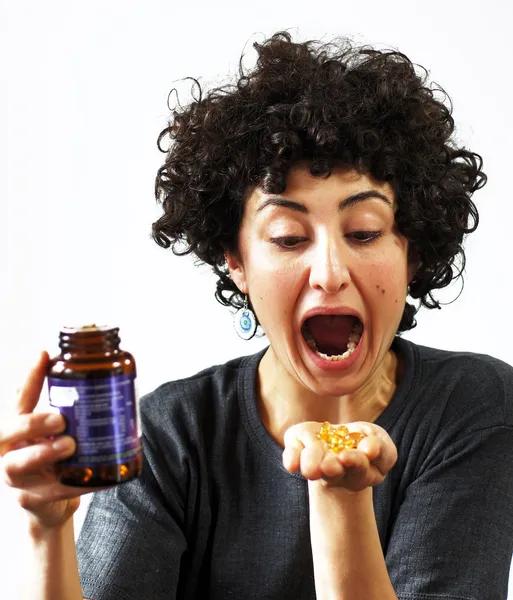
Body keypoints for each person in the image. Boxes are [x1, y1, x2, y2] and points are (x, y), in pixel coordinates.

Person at [1, 31, 512, 600]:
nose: (329, 273)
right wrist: (48, 529)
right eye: (289, 238)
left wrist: (341, 498)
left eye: (364, 232)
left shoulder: (475, 407)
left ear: (412, 253)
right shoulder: (172, 435)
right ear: (236, 262)